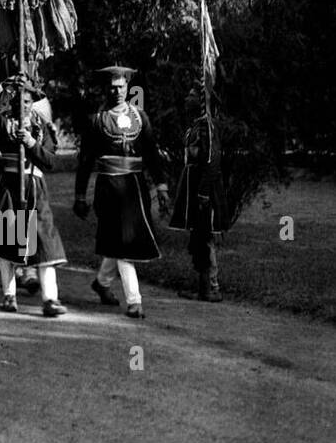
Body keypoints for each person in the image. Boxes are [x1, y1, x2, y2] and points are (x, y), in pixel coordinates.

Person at [75, 66, 169, 319]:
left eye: (121, 87)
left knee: (120, 243)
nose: (117, 92)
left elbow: (151, 153)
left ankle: (102, 283)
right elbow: (85, 161)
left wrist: (161, 187)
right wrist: (80, 196)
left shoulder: (140, 117)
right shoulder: (97, 120)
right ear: (106, 89)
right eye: (112, 87)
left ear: (128, 89)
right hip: (108, 189)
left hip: (135, 190)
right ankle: (134, 301)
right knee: (123, 244)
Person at [0, 79, 69, 317]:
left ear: (34, 103)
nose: (24, 106)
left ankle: (50, 299)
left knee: (45, 244)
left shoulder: (42, 128)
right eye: (19, 101)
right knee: (6, 241)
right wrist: (7, 91)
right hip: (8, 186)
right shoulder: (3, 121)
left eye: (28, 101)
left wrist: (30, 143)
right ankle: (9, 295)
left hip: (34, 186)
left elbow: (50, 161)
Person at [169, 106, 227, 302]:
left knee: (205, 236)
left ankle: (212, 287)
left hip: (205, 193)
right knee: (199, 236)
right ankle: (203, 287)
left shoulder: (208, 128)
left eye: (194, 94)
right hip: (194, 188)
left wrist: (203, 192)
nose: (188, 99)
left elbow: (212, 162)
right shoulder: (198, 126)